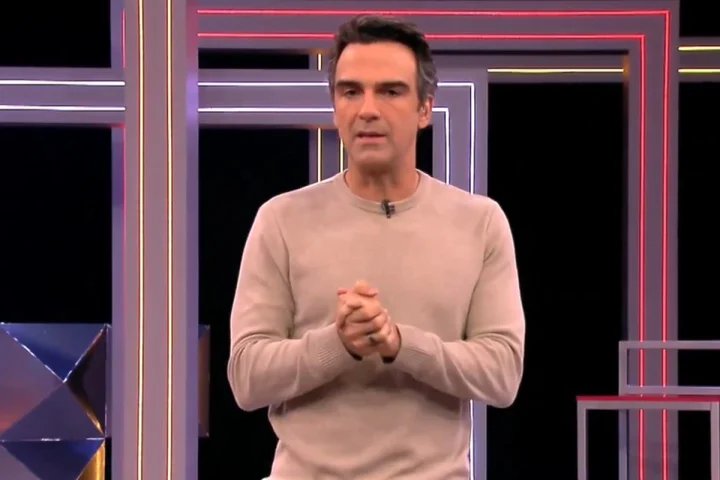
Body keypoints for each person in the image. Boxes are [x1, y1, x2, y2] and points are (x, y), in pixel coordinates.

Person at [227, 14, 525, 480]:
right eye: (351, 92)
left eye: (390, 91)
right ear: (335, 107)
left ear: (425, 108)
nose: (367, 109)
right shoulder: (281, 220)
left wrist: (401, 344)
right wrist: (338, 343)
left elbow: (502, 374)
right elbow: (247, 377)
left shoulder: (480, 223)